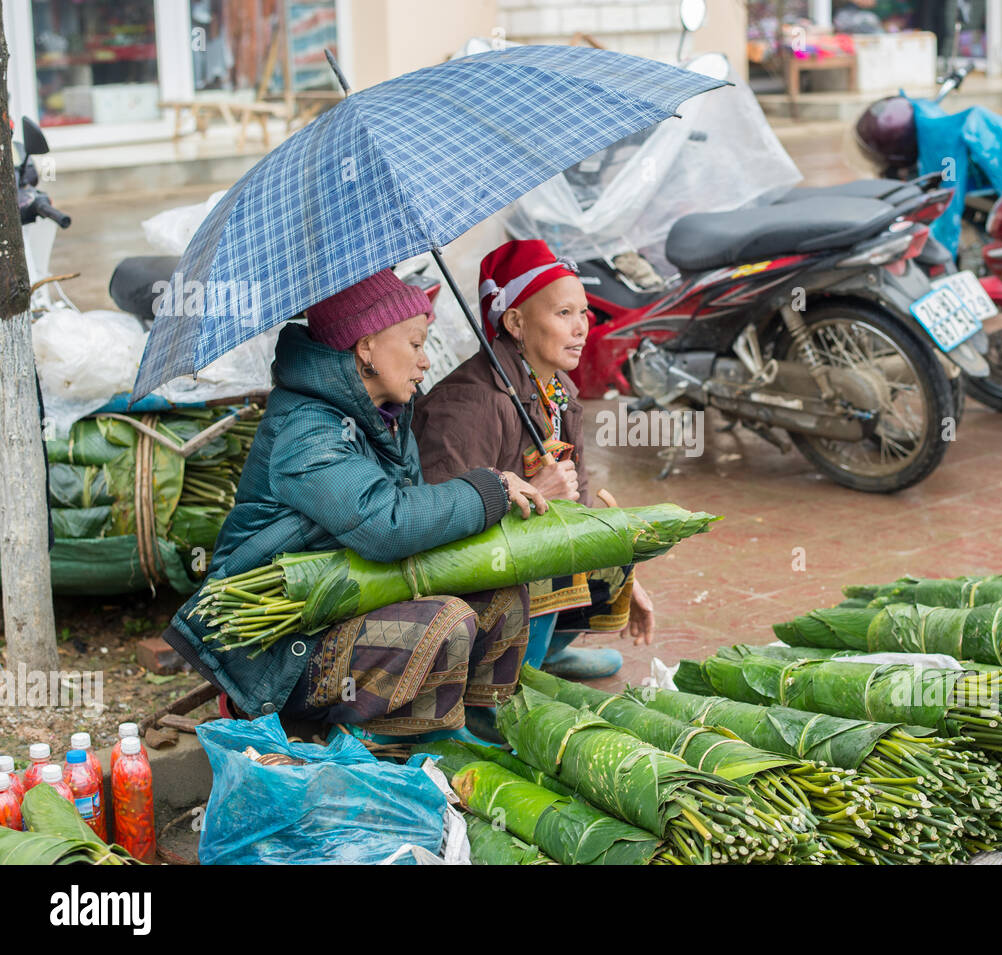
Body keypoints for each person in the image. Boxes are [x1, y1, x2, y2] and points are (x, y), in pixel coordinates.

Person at [162, 268, 548, 745]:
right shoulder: (308, 430)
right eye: (414, 344)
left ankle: (487, 732)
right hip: (285, 647)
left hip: (354, 605)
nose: (425, 361)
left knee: (502, 592)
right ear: (366, 347)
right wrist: (489, 490)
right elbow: (386, 524)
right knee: (444, 623)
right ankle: (404, 746)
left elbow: (412, 515)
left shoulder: (383, 416)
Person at [413, 239, 655, 682]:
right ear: (516, 322)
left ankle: (544, 655)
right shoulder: (467, 403)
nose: (582, 326)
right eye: (564, 313)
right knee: (543, 546)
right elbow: (436, 525)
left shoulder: (557, 391)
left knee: (612, 541)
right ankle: (505, 684)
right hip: (463, 587)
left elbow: (577, 505)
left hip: (513, 567)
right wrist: (529, 495)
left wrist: (625, 570)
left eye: (583, 312)